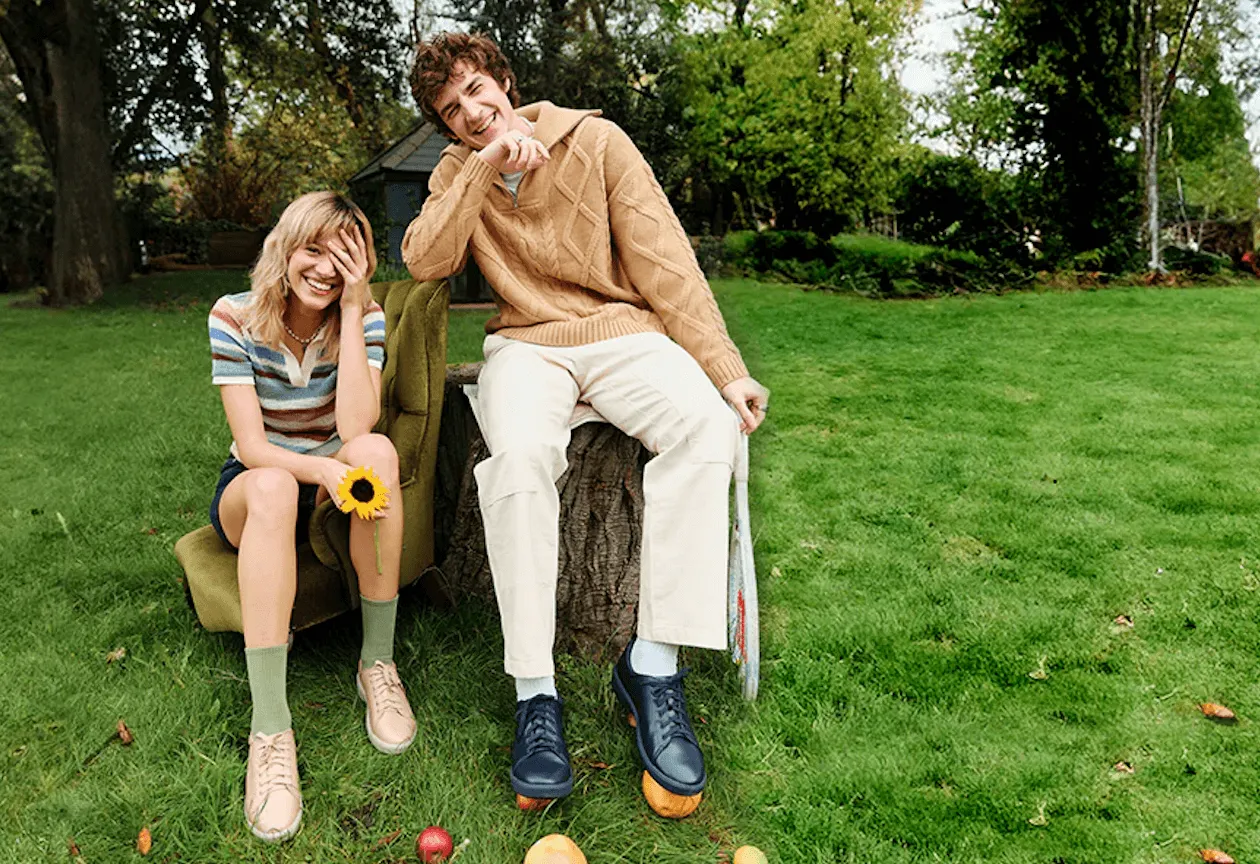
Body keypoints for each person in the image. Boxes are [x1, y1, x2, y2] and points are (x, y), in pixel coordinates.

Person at [402, 33, 769, 809]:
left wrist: (726, 368)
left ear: (505, 81)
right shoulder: (455, 171)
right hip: (525, 347)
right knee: (517, 461)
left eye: (476, 90)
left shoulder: (597, 141)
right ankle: (536, 694)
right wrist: (482, 165)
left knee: (707, 428)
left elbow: (665, 262)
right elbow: (426, 260)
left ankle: (653, 667)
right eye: (452, 109)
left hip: (623, 334)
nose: (471, 111)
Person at [207, 192, 416, 841]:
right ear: (286, 247)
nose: (326, 268)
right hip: (255, 488)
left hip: (334, 480)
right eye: (314, 249)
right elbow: (251, 447)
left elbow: (355, 427)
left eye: (345, 256)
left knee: (377, 453)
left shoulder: (365, 317)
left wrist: (352, 310)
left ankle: (376, 664)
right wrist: (322, 471)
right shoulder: (233, 316)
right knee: (272, 486)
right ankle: (271, 729)